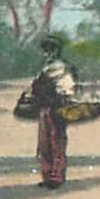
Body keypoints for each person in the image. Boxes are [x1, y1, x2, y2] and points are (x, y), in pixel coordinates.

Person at [30, 35, 79, 189]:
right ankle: (47, 176)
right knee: (44, 144)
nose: (48, 53)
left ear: (57, 50)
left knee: (56, 142)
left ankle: (57, 177)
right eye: (46, 50)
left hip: (57, 107)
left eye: (51, 49)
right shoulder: (45, 67)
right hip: (45, 108)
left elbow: (69, 88)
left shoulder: (63, 67)